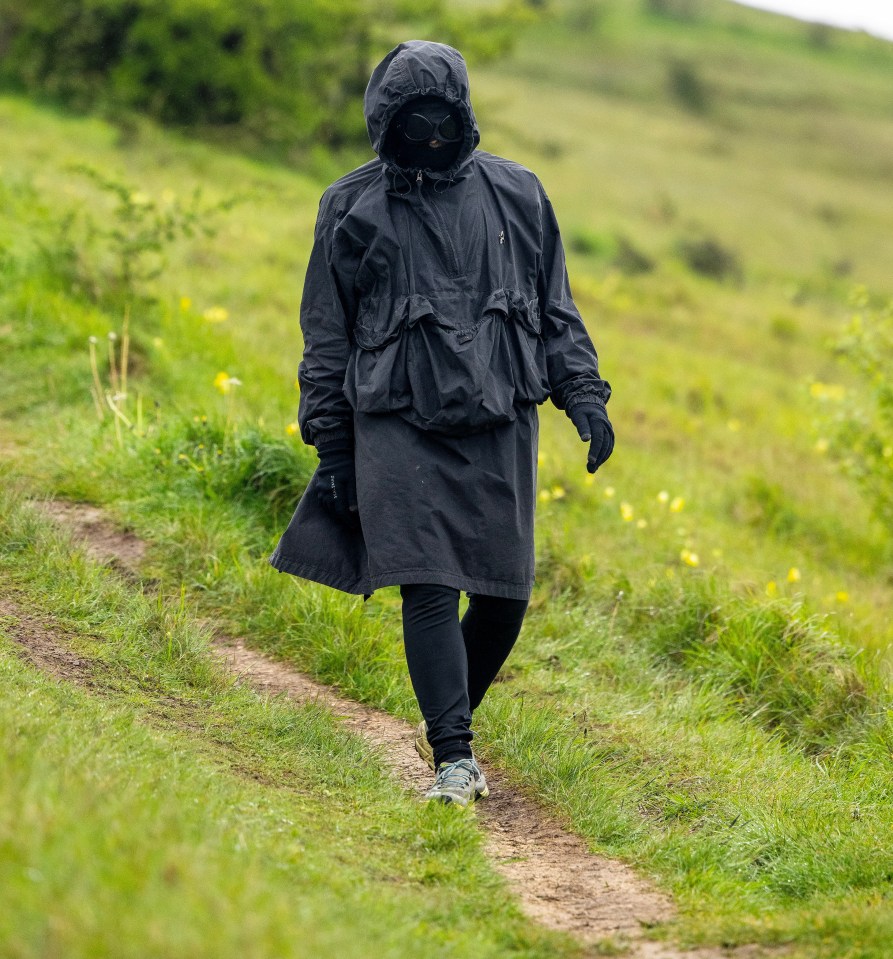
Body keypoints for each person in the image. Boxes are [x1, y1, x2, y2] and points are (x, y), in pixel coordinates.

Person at [269, 39, 614, 807]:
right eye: (409, 125)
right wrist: (332, 443)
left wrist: (583, 395)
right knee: (426, 586)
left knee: (503, 593)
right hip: (395, 421)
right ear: (382, 123)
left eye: (439, 123)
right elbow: (326, 336)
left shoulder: (519, 195)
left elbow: (556, 308)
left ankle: (442, 720)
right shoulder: (348, 206)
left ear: (462, 116)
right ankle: (454, 756)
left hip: (499, 416)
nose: (427, 139)